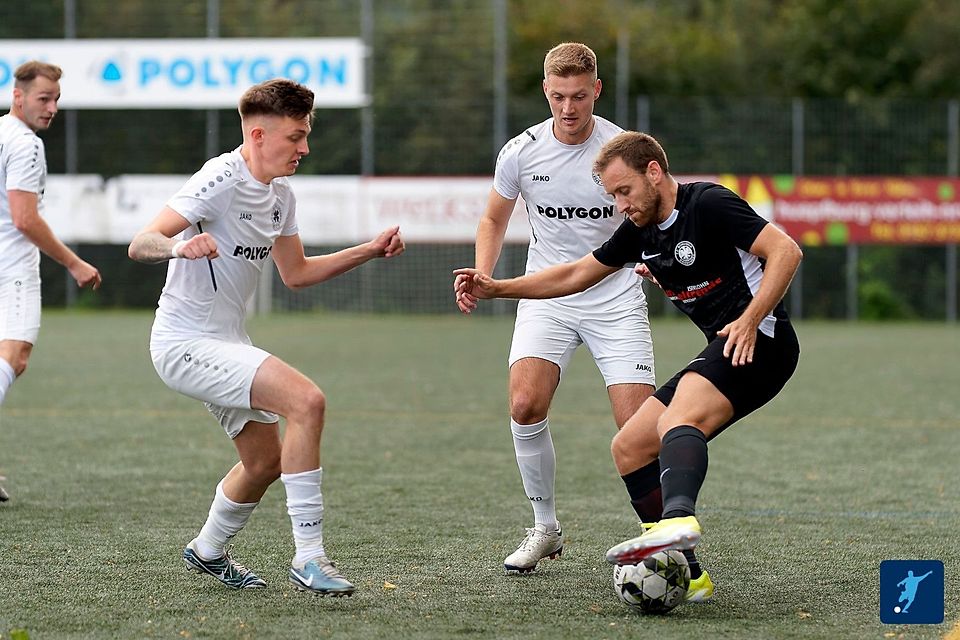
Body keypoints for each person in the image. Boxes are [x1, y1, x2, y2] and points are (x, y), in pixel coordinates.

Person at [455, 131, 802, 602]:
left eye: (624, 191)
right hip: (726, 347)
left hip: (761, 342)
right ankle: (690, 574)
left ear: (654, 172)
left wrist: (750, 319)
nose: (620, 204)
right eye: (612, 195)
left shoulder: (709, 203)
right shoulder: (640, 231)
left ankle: (678, 522)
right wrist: (499, 287)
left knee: (679, 419)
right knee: (631, 445)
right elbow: (578, 273)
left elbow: (786, 251)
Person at [128, 78, 404, 596]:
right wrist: (176, 249)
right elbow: (141, 242)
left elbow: (295, 274)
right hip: (183, 342)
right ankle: (309, 558)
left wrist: (367, 250)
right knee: (307, 401)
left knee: (265, 463)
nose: (305, 148)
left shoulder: (281, 196)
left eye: (305, 136)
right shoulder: (219, 178)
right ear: (257, 135)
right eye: (295, 137)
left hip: (228, 342)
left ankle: (207, 550)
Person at [454, 43, 656, 574]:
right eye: (559, 97)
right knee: (524, 404)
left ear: (597, 90)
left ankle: (660, 539)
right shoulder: (520, 152)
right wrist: (485, 274)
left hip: (614, 296)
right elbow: (494, 219)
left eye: (580, 96)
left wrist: (655, 260)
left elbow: (657, 213)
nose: (569, 108)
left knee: (637, 426)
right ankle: (544, 528)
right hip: (547, 295)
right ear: (546, 91)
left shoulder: (623, 149)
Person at [0, 61, 102, 502]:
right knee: (14, 358)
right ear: (18, 97)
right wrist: (74, 263)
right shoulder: (25, 145)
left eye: (57, 99)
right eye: (44, 98)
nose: (53, 107)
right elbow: (24, 218)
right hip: (12, 268)